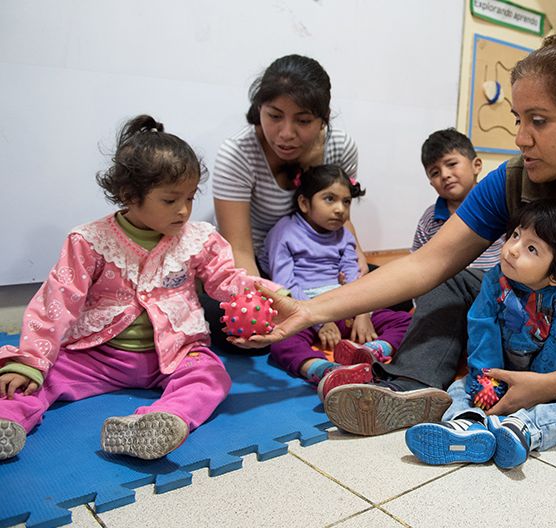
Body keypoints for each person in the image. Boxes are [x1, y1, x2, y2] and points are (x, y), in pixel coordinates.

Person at [236, 14, 556, 443]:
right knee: (457, 281)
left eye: (539, 121)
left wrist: (547, 385)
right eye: (517, 119)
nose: (520, 138)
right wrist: (308, 308)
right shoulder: (514, 178)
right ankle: (411, 387)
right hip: (538, 320)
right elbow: (427, 262)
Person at [0, 115, 279, 461]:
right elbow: (57, 301)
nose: (183, 211)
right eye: (170, 200)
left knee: (211, 376)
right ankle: (7, 420)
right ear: (129, 195)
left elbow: (225, 279)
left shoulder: (198, 239)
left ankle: (165, 420)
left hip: (173, 354)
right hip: (97, 354)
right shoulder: (89, 241)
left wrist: (262, 291)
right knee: (32, 377)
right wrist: (30, 360)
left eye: (190, 198)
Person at [405, 199, 556, 469]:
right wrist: (485, 379)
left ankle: (524, 428)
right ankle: (468, 426)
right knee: (459, 386)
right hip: (501, 374)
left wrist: (536, 389)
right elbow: (481, 325)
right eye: (515, 235)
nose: (512, 250)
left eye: (531, 248)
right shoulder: (495, 280)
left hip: (550, 383)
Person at [212, 54, 366, 279]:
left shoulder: (341, 147)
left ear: (324, 118)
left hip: (318, 259)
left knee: (393, 296)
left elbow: (341, 219)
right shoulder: (237, 155)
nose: (286, 134)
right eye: (274, 116)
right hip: (259, 262)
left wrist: (356, 254)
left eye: (303, 121)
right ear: (259, 109)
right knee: (220, 308)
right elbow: (239, 250)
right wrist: (274, 300)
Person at [264, 164, 411, 387]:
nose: (340, 209)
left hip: (342, 306)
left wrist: (362, 315)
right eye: (329, 199)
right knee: (280, 341)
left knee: (407, 320)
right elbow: (285, 283)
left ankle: (370, 353)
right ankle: (323, 370)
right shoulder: (284, 232)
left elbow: (354, 276)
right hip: (303, 310)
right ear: (304, 203)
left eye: (346, 202)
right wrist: (318, 320)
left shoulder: (343, 235)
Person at [412, 128, 503, 270]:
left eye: (451, 164)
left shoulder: (498, 205)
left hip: (495, 286)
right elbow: (416, 263)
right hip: (448, 287)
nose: (445, 175)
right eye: (435, 173)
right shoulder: (429, 219)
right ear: (431, 183)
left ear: (476, 166)